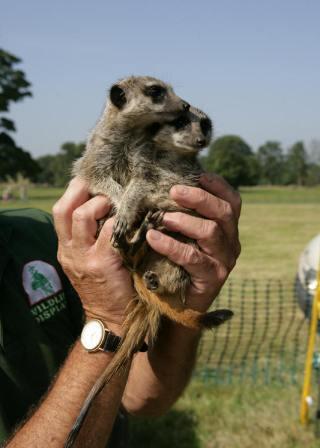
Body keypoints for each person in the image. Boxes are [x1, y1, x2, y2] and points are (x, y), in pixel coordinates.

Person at [0, 173, 241, 447]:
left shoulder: (39, 234)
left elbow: (140, 397)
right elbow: (111, 320)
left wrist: (187, 301)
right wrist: (108, 322)